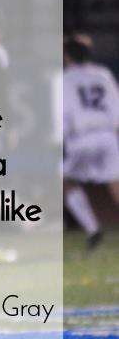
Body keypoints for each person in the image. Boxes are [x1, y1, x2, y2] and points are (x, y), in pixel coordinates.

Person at [62, 33, 119, 249]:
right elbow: (116, 109)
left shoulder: (65, 79)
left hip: (81, 136)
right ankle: (93, 230)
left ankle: (92, 229)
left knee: (65, 181)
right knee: (115, 184)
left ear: (67, 56)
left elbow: (62, 113)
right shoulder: (103, 74)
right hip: (106, 133)